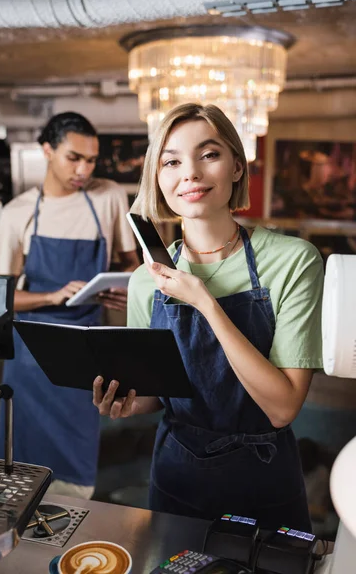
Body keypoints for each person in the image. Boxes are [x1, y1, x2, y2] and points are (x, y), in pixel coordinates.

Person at [93, 103, 324, 531]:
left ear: (237, 166)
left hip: (264, 478)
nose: (190, 174)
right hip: (176, 475)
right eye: (172, 161)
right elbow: (156, 396)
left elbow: (283, 407)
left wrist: (205, 302)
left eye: (209, 154)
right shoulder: (147, 281)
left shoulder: (294, 261)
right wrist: (126, 403)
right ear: (157, 179)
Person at [0, 112, 139, 499]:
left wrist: (123, 287)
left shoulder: (108, 197)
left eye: (91, 160)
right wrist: (51, 296)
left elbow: (131, 265)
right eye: (74, 158)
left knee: (77, 470)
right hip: (29, 357)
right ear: (47, 151)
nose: (84, 169)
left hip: (85, 351)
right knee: (20, 469)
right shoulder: (17, 213)